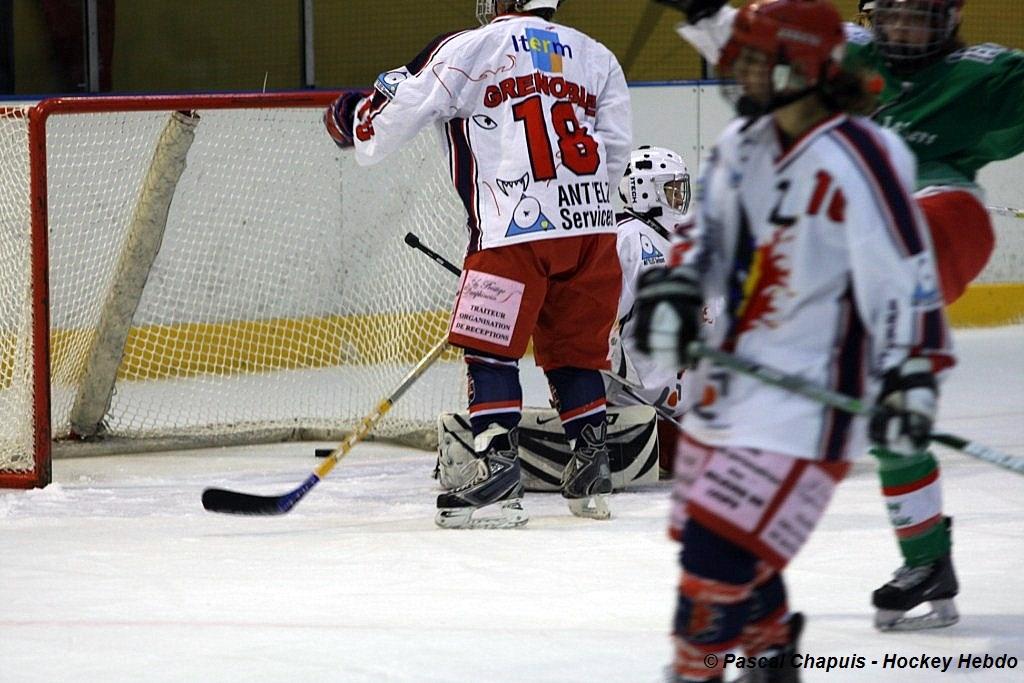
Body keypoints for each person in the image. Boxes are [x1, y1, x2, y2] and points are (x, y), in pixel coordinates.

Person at [655, 0, 1024, 631]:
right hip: (849, 225)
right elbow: (751, 40)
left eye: (918, 17)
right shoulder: (843, 49)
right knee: (880, 410)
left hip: (942, 214)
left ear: (949, 18)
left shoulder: (984, 74)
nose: (903, 30)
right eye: (893, 16)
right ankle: (927, 559)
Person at [324, 0, 632, 529]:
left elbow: (395, 113)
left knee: (489, 351)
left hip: (512, 231)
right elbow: (617, 152)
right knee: (576, 353)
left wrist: (352, 120)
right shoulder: (597, 56)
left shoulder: (472, 46)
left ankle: (497, 475)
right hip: (592, 231)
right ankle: (591, 471)